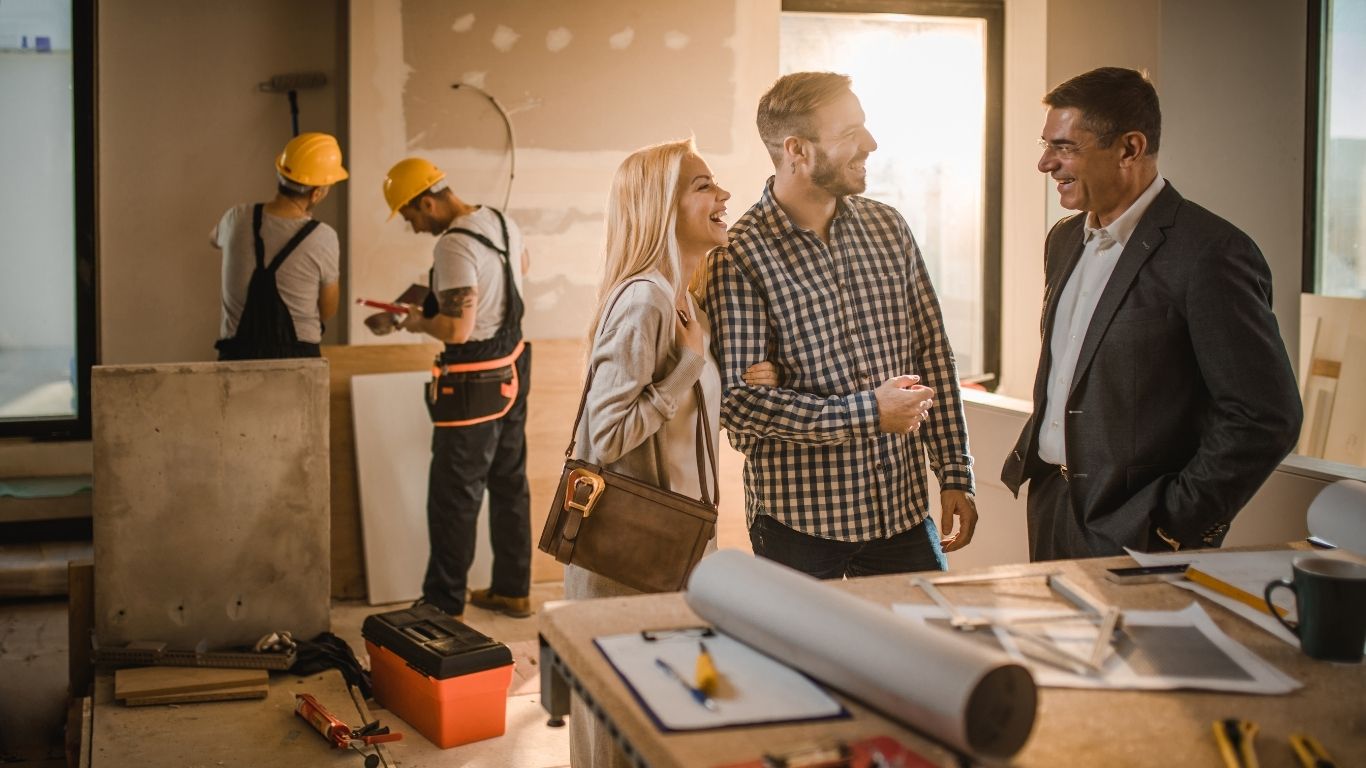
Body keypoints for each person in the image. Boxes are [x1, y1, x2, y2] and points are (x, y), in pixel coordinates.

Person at [1001, 67, 1302, 560]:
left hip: (1140, 531)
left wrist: (1173, 523)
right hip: (1052, 509)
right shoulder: (1062, 241)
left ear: (1130, 149)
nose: (1045, 164)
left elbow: (1265, 416)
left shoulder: (1210, 252)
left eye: (1065, 147)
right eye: (1046, 144)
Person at [704, 72, 978, 580]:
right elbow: (741, 407)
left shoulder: (888, 227)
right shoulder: (738, 254)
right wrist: (870, 412)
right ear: (797, 150)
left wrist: (955, 472)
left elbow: (932, 353)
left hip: (902, 512)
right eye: (849, 132)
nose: (870, 144)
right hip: (799, 527)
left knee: (921, 653)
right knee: (804, 661)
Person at [567, 138, 775, 768]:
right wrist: (690, 366)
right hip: (629, 556)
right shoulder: (645, 300)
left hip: (669, 547)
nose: (725, 196)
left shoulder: (681, 297)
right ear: (661, 205)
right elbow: (604, 436)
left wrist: (727, 378)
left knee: (655, 718)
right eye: (704, 185)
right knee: (619, 721)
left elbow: (675, 420)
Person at [371, 157, 533, 619]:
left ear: (427, 201)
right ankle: (513, 589)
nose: (414, 226)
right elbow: (517, 268)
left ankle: (442, 603)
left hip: (473, 378)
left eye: (411, 216)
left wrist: (409, 320)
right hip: (515, 366)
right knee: (508, 481)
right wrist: (423, 294)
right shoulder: (499, 220)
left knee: (454, 493)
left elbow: (457, 330)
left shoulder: (452, 244)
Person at [212, 132, 346, 360]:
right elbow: (327, 309)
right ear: (317, 192)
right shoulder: (323, 237)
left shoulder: (236, 218)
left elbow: (214, 239)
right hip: (297, 363)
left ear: (279, 174)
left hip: (236, 359)